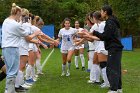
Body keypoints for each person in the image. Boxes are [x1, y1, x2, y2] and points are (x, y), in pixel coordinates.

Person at [81, 5, 123, 93]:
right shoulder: (112, 21)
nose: (101, 13)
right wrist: (91, 34)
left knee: (112, 68)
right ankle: (118, 88)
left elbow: (105, 36)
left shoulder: (110, 22)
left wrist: (94, 33)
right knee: (116, 68)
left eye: (101, 11)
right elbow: (107, 36)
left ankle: (114, 89)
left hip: (113, 48)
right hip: (115, 47)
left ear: (105, 12)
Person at [1, 3, 41, 93]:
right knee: (13, 71)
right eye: (21, 15)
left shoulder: (6, 21)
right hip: (12, 48)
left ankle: (9, 90)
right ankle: (9, 91)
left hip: (6, 48)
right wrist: (35, 32)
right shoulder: (15, 24)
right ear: (18, 13)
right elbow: (27, 35)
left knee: (10, 70)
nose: (21, 17)